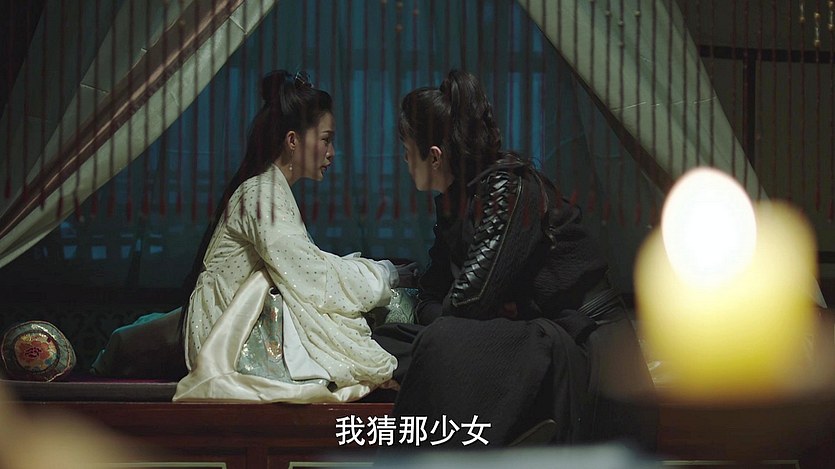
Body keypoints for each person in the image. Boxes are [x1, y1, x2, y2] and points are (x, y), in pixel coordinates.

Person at [373, 70, 656, 447]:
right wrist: (443, 312)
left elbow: (468, 304)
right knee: (387, 340)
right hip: (530, 332)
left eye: (408, 152)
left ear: (435, 157)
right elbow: (432, 293)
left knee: (441, 341)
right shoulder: (456, 202)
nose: (405, 162)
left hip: (582, 339)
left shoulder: (508, 187)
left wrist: (447, 314)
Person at [172, 70, 409, 403]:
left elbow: (305, 265)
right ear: (293, 140)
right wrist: (381, 275)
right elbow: (310, 274)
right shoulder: (261, 195)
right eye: (326, 139)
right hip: (227, 338)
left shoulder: (269, 190)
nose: (332, 152)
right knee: (383, 313)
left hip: (245, 324)